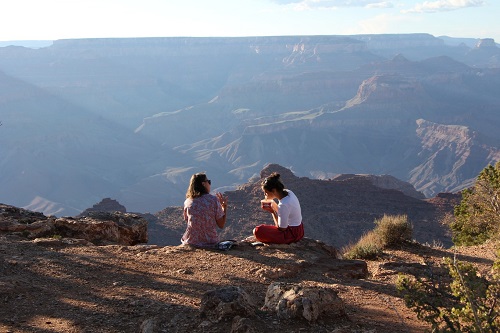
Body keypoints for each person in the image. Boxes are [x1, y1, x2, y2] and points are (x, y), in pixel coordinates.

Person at [253, 172, 304, 244]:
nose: (265, 195)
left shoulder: (283, 204)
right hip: (299, 230)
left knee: (257, 231)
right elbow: (285, 212)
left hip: (291, 235)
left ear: (273, 190)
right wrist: (274, 205)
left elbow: (281, 228)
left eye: (266, 192)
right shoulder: (289, 192)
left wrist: (272, 212)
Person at [181, 173, 228, 247]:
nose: (209, 184)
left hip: (191, 241)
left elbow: (188, 221)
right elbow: (221, 224)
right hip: (210, 241)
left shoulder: (187, 202)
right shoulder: (213, 200)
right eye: (208, 182)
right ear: (203, 184)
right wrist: (224, 207)